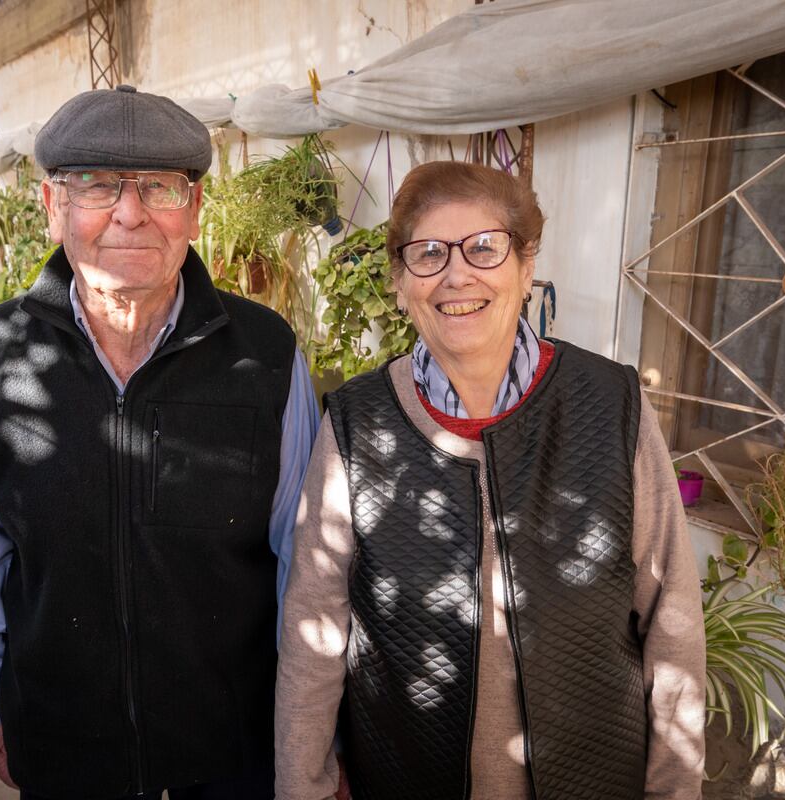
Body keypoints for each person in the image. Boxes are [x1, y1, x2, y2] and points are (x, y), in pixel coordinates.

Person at [274, 161, 706, 800]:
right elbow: (314, 637)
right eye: (427, 253)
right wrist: (302, 788)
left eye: (484, 247)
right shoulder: (357, 424)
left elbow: (672, 621)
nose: (457, 274)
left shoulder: (609, 404)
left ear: (526, 266)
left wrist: (674, 791)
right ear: (399, 283)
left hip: (592, 778)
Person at [0, 86, 319, 800]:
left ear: (195, 211)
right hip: (62, 745)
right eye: (95, 184)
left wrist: (307, 721)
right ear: (53, 207)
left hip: (233, 747)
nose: (130, 211)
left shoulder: (267, 355)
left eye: (160, 186)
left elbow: (307, 561)